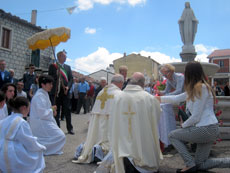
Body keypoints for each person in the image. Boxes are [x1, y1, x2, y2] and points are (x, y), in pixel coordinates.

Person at [156, 61, 230, 172]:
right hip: (208, 128)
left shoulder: (201, 88)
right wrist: (158, 99)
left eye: (186, 72)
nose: (184, 75)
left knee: (173, 135)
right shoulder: (196, 88)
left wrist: (184, 125)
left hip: (206, 128)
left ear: (190, 73)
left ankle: (189, 164)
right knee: (201, 164)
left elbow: (196, 116)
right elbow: (177, 98)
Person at [110, 72, 162, 173]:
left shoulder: (118, 97)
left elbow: (113, 119)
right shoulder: (149, 98)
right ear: (142, 84)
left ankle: (125, 161)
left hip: (122, 138)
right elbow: (156, 117)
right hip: (142, 138)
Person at [72, 74, 124, 164]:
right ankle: (102, 152)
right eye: (122, 84)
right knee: (107, 139)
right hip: (110, 121)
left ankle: (94, 150)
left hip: (98, 120)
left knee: (98, 136)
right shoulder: (119, 93)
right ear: (120, 83)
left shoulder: (102, 91)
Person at [0, 97, 46, 173]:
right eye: (29, 108)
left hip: (1, 152)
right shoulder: (21, 122)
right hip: (12, 153)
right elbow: (29, 142)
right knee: (38, 153)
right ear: (24, 108)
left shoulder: (6, 119)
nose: (29, 110)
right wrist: (40, 147)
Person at [30, 75, 66, 155]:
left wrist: (52, 110)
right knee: (60, 136)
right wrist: (52, 109)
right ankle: (43, 149)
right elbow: (42, 113)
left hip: (45, 119)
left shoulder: (44, 93)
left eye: (52, 84)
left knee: (59, 136)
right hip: (41, 122)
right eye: (49, 84)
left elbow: (46, 109)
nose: (51, 86)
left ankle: (41, 147)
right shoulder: (39, 96)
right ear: (43, 84)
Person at [48, 51, 74, 134]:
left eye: (66, 56)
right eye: (63, 56)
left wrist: (68, 87)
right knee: (56, 110)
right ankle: (57, 128)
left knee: (67, 110)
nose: (65, 58)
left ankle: (70, 128)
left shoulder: (68, 67)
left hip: (65, 92)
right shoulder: (53, 66)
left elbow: (71, 79)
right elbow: (50, 78)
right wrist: (56, 74)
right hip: (56, 91)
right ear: (59, 57)